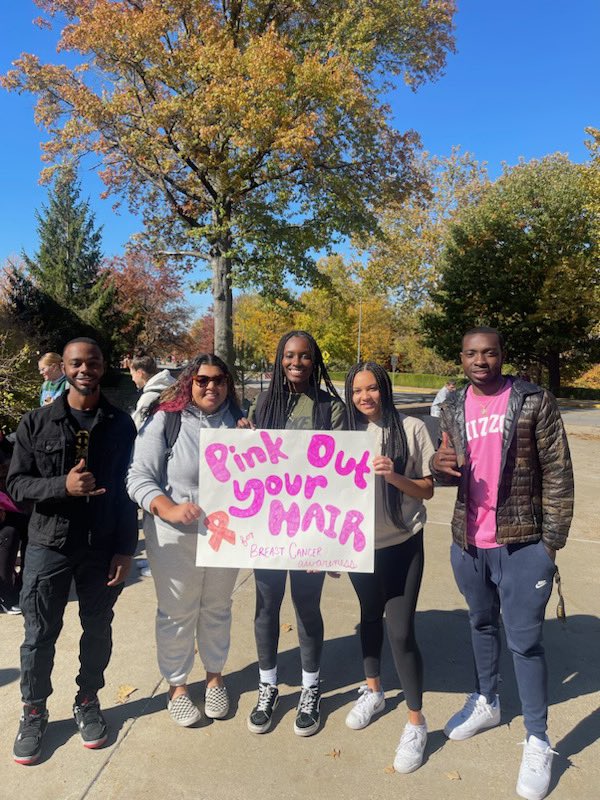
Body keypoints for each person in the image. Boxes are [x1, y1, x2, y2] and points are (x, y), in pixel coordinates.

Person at [431, 326, 573, 800]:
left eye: (489, 353)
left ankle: (538, 739)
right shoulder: (452, 406)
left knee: (526, 643)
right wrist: (437, 466)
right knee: (480, 624)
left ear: (501, 356)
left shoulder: (533, 400)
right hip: (469, 542)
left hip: (523, 542)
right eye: (471, 353)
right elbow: (450, 470)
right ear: (461, 357)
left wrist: (549, 544)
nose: (480, 361)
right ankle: (486, 702)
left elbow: (557, 470)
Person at [7, 338, 138, 765]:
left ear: (103, 367)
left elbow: (124, 491)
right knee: (39, 634)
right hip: (49, 544)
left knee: (97, 628)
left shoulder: (121, 424)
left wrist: (125, 550)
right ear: (63, 367)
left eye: (93, 362)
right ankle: (33, 710)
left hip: (101, 546)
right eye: (76, 363)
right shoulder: (36, 422)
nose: (85, 369)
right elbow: (16, 485)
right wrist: (60, 486)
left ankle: (87, 700)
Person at [127, 354, 243, 727]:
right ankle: (177, 686)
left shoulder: (239, 421)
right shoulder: (166, 419)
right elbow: (138, 477)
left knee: (217, 607)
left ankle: (214, 677)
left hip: (226, 535)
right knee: (177, 612)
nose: (212, 387)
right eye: (203, 380)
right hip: (174, 537)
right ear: (189, 382)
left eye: (220, 380)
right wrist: (167, 507)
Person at [246, 330, 345, 737]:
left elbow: (342, 477)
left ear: (315, 359)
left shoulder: (331, 408)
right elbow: (250, 463)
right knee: (266, 608)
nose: (297, 362)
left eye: (304, 356)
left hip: (311, 531)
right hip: (268, 526)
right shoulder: (264, 402)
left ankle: (310, 687)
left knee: (307, 608)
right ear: (279, 359)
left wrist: (335, 545)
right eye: (289, 355)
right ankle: (267, 684)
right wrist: (244, 437)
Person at [344, 362, 434, 773]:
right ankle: (374, 690)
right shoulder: (344, 433)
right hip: (358, 548)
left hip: (402, 544)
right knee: (368, 619)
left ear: (385, 389)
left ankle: (416, 721)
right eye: (358, 390)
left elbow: (428, 489)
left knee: (400, 631)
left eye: (373, 389)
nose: (365, 397)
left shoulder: (411, 428)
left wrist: (394, 476)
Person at [0, 432, 28, 614]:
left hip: (12, 505)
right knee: (8, 534)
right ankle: (4, 595)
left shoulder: (9, 444)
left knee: (31, 527)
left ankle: (24, 585)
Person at [128, 350, 176, 430]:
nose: (132, 379)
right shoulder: (171, 388)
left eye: (132, 374)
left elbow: (136, 427)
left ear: (140, 373)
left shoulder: (148, 398)